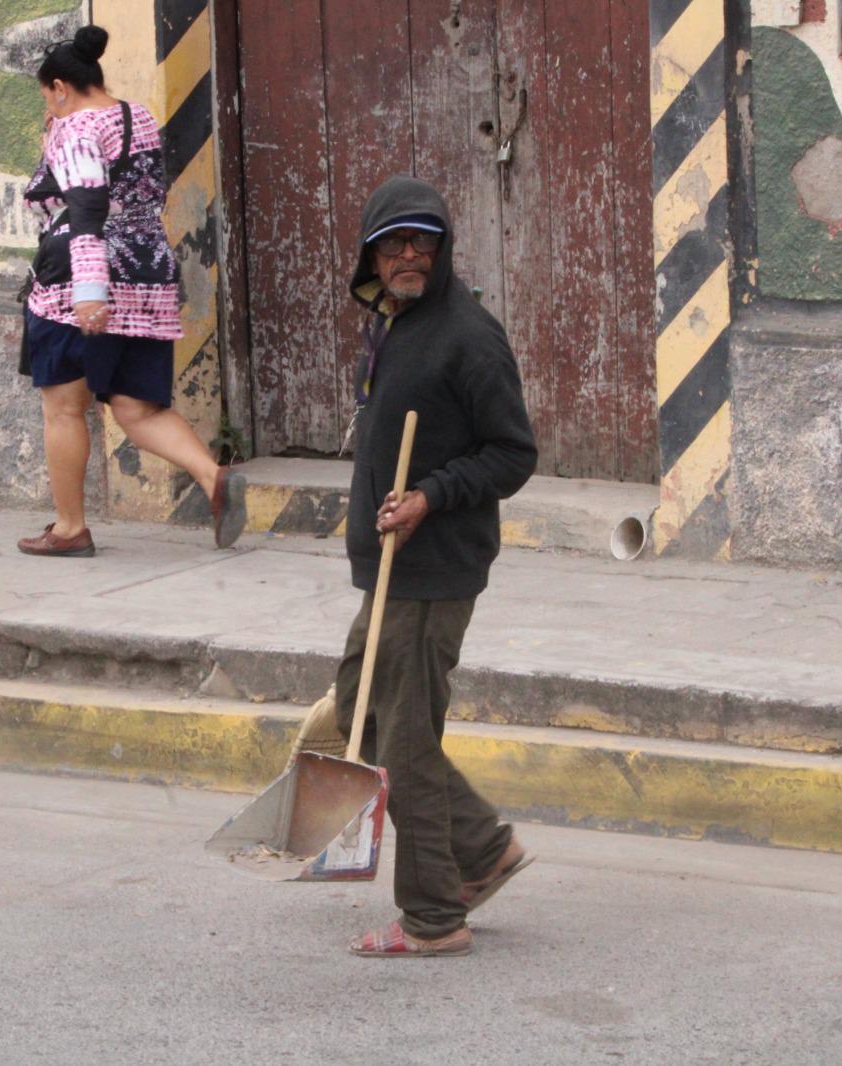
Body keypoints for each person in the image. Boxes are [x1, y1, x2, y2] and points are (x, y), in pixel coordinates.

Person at [334, 176, 539, 957]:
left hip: (434, 566)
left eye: (423, 241)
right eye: (394, 243)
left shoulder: (467, 335)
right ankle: (482, 849)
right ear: (373, 256)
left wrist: (430, 496)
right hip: (388, 563)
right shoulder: (395, 323)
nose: (409, 254)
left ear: (444, 250)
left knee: (407, 742)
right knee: (368, 710)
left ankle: (433, 916)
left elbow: (513, 452)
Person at [17, 25, 245, 557]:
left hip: (79, 278)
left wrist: (91, 288)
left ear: (59, 87)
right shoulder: (134, 114)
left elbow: (87, 206)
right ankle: (214, 477)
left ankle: (70, 529)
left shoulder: (75, 129)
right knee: (138, 409)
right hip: (147, 272)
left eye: (46, 96)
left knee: (65, 409)